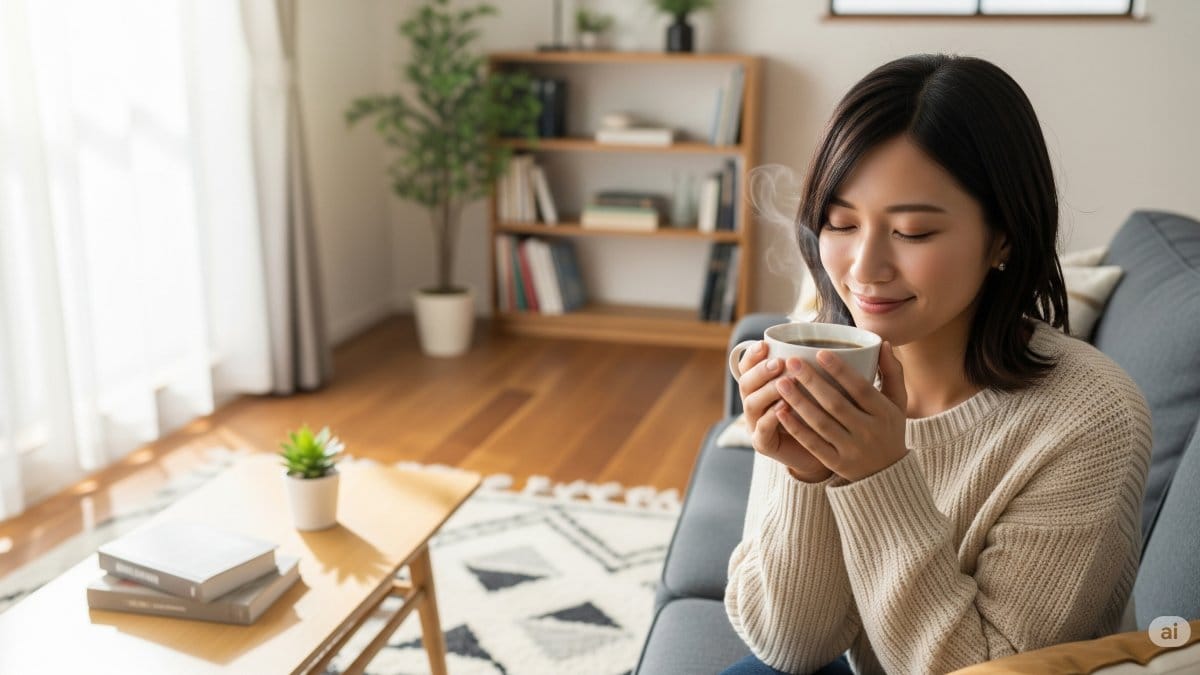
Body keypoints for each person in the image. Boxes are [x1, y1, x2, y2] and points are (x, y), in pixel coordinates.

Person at [721, 53, 1151, 675]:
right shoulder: (819, 359)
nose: (863, 270)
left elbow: (982, 667)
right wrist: (809, 476)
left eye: (914, 232)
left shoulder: (1090, 420)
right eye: (840, 223)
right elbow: (791, 649)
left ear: (1003, 237)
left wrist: (877, 475)